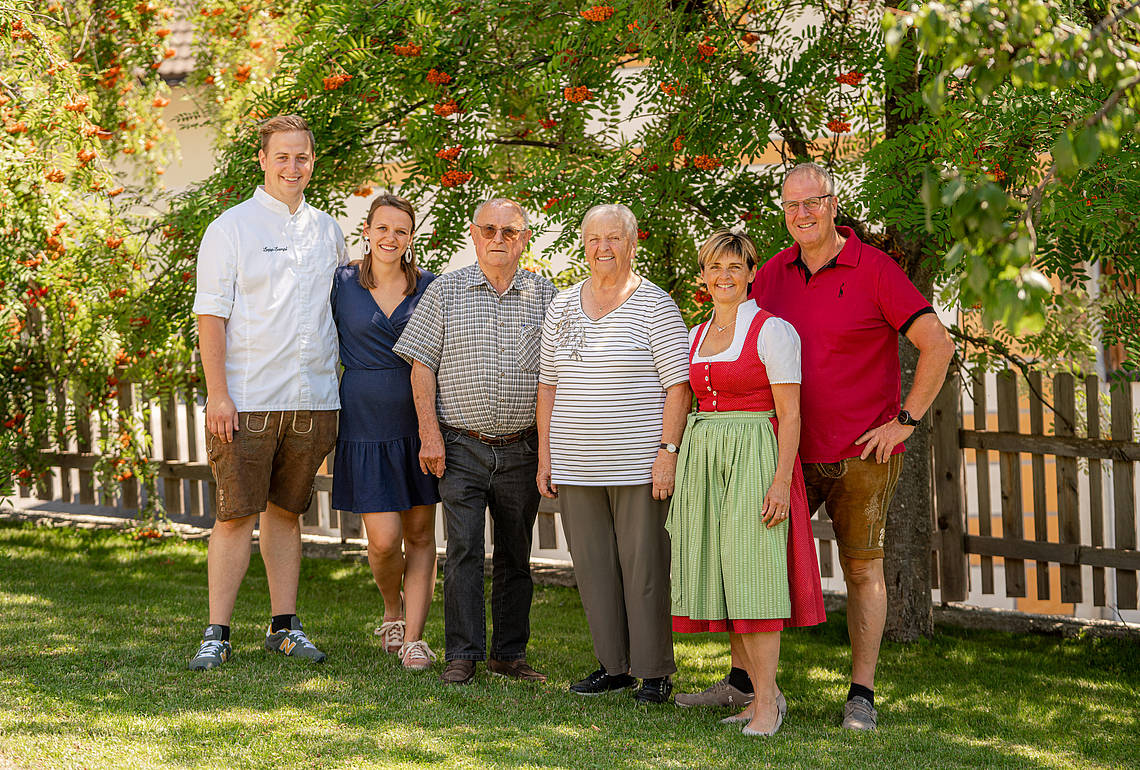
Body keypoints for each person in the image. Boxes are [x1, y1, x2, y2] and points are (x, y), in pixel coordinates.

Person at [677, 163, 953, 731]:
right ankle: (745, 685)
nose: (802, 213)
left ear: (833, 203)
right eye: (791, 205)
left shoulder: (876, 270)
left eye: (813, 202)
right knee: (746, 562)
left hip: (860, 453)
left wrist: (905, 420)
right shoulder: (770, 273)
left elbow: (938, 344)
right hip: (782, 453)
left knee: (860, 571)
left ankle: (861, 694)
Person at [189, 114, 346, 670]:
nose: (292, 166)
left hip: (313, 399)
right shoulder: (230, 228)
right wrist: (219, 394)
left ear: (311, 161)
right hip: (248, 400)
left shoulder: (328, 231)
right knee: (235, 514)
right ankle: (217, 632)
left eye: (301, 156)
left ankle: (284, 626)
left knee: (286, 512)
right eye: (282, 156)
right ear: (262, 160)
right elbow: (210, 315)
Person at [667, 230, 826, 736]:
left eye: (734, 266)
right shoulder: (697, 332)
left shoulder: (773, 331)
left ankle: (766, 708)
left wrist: (782, 482)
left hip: (756, 455)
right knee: (727, 578)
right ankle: (763, 692)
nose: (724, 276)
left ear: (752, 272)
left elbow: (791, 417)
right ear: (703, 276)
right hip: (706, 458)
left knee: (753, 580)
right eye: (714, 267)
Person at [394, 197, 557, 685]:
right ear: (473, 233)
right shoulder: (446, 290)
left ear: (525, 237)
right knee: (463, 549)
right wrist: (429, 435)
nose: (498, 239)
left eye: (510, 231)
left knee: (515, 552)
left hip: (521, 447)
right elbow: (422, 366)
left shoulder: (546, 297)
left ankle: (509, 653)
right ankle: (462, 652)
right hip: (460, 444)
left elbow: (558, 374)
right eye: (489, 230)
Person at [536, 204, 690, 704]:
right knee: (594, 569)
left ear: (632, 243)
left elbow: (678, 388)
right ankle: (614, 666)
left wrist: (667, 452)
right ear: (584, 244)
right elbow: (548, 386)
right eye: (594, 239)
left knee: (643, 567)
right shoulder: (560, 306)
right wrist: (546, 456)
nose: (603, 248)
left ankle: (654, 671)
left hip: (637, 464)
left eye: (614, 239)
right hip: (576, 463)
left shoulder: (655, 305)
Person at [331, 193, 440, 671]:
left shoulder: (430, 288)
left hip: (418, 424)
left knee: (418, 533)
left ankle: (414, 637)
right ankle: (391, 613)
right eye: (382, 228)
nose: (390, 237)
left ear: (410, 237)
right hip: (364, 424)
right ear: (367, 232)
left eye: (400, 230)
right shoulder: (341, 283)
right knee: (382, 539)